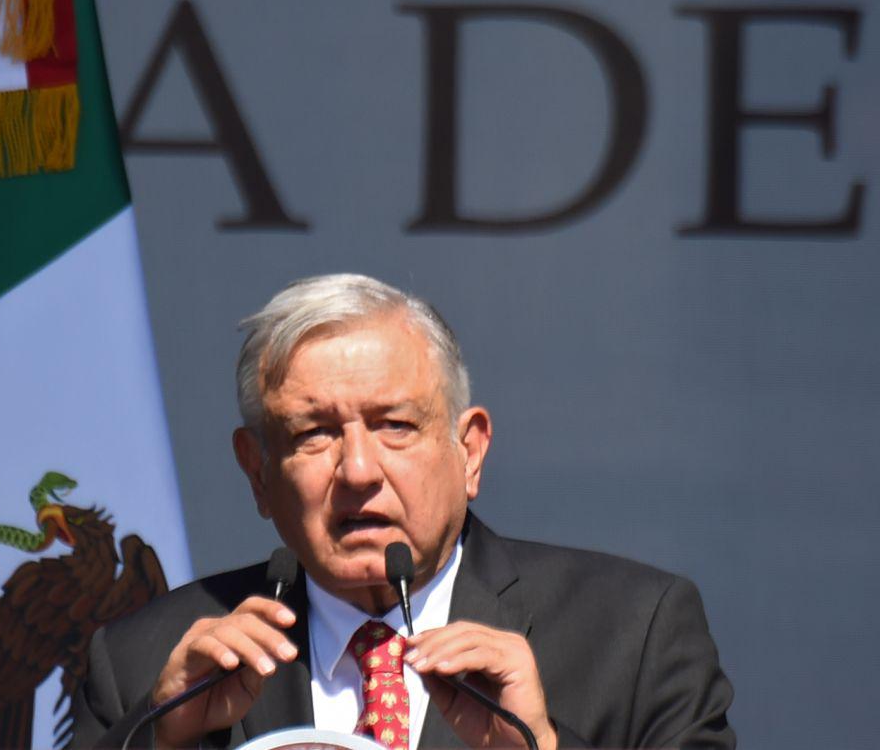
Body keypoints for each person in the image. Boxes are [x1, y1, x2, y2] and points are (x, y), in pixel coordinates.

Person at [71, 274, 734, 749]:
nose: (358, 471)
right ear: (257, 472)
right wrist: (160, 740)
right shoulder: (147, 661)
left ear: (468, 450)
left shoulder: (634, 633)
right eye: (313, 435)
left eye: (393, 425)